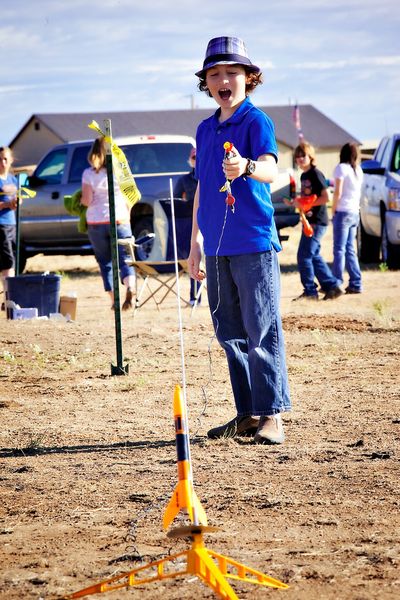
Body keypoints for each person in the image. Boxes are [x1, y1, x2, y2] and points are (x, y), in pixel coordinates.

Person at [188, 36, 291, 445]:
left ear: (249, 78)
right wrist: (194, 241)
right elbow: (201, 187)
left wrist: (246, 166)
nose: (223, 80)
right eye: (214, 74)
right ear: (206, 83)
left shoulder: (256, 121)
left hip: (253, 243)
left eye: (232, 72)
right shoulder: (203, 127)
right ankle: (247, 413)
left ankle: (272, 416)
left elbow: (270, 169)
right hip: (214, 248)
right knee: (229, 332)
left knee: (260, 329)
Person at [81, 137, 136, 310]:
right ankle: (131, 287)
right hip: (120, 218)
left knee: (105, 262)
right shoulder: (121, 170)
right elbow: (131, 195)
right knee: (126, 260)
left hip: (97, 221)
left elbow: (87, 200)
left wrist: (78, 201)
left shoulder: (89, 174)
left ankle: (114, 301)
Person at [291, 141, 343, 300]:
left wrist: (306, 203)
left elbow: (325, 197)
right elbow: (308, 197)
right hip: (309, 221)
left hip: (318, 222)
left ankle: (310, 292)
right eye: (298, 156)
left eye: (303, 155)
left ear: (311, 156)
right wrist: (298, 203)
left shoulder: (315, 174)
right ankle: (332, 286)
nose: (300, 158)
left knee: (304, 255)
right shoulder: (303, 175)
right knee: (313, 255)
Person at [331, 143, 363, 294]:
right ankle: (356, 283)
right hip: (355, 212)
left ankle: (337, 283)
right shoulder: (357, 170)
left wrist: (333, 209)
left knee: (339, 249)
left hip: (343, 211)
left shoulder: (341, 168)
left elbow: (338, 191)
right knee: (350, 249)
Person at [174, 147, 202, 305]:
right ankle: (194, 297)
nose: (197, 161)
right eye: (194, 158)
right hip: (192, 223)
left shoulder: (210, 174)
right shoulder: (184, 180)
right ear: (190, 161)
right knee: (194, 259)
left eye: (199, 157)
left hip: (211, 220)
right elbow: (176, 202)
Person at [0, 147, 18, 310]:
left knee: (11, 260)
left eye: (5, 159)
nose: (2, 162)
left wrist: (17, 203)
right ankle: (9, 299)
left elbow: (15, 200)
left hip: (12, 223)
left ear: (11, 160)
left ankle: (9, 299)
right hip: (1, 225)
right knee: (8, 262)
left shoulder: (13, 180)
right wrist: (7, 204)